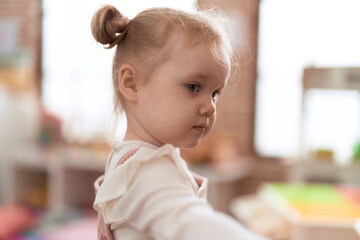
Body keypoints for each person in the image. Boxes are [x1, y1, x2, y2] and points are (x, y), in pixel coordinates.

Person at [91, 4, 266, 240]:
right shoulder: (144, 170)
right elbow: (193, 225)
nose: (210, 106)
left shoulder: (130, 159)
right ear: (131, 84)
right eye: (193, 87)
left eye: (214, 93)